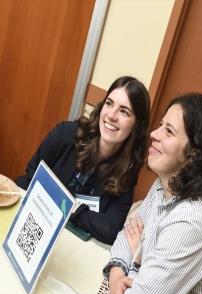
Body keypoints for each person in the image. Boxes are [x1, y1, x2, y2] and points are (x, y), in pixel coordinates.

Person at [99, 93, 202, 294]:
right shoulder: (166, 182)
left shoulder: (192, 222)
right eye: (161, 125)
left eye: (169, 131)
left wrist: (138, 262)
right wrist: (117, 276)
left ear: (194, 154)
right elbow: (126, 236)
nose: (154, 133)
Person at [15, 76, 150, 245]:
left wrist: (73, 209)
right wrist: (80, 213)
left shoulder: (125, 172)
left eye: (124, 111)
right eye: (109, 103)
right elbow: (32, 174)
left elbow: (110, 229)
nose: (112, 115)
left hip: (70, 244)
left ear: (137, 125)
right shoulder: (66, 134)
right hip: (30, 218)